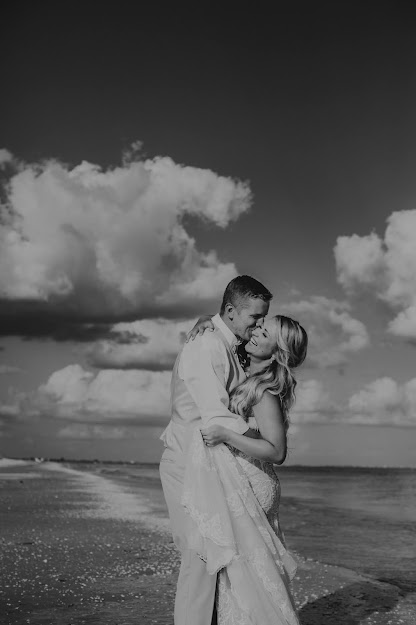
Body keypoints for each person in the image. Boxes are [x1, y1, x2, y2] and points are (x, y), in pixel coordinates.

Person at [159, 275, 272, 625]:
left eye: (263, 318)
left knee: (216, 560)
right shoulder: (207, 346)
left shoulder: (228, 343)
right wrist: (267, 437)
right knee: (201, 559)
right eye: (255, 317)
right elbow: (215, 416)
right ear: (230, 311)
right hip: (188, 462)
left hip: (207, 463)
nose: (259, 325)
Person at [183, 313, 307, 624]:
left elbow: (276, 451)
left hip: (254, 483)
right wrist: (203, 320)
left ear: (277, 352)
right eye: (258, 326)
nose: (254, 332)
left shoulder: (264, 392)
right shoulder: (243, 369)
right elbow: (226, 327)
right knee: (241, 579)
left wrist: (227, 434)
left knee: (248, 578)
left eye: (264, 334)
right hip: (240, 479)